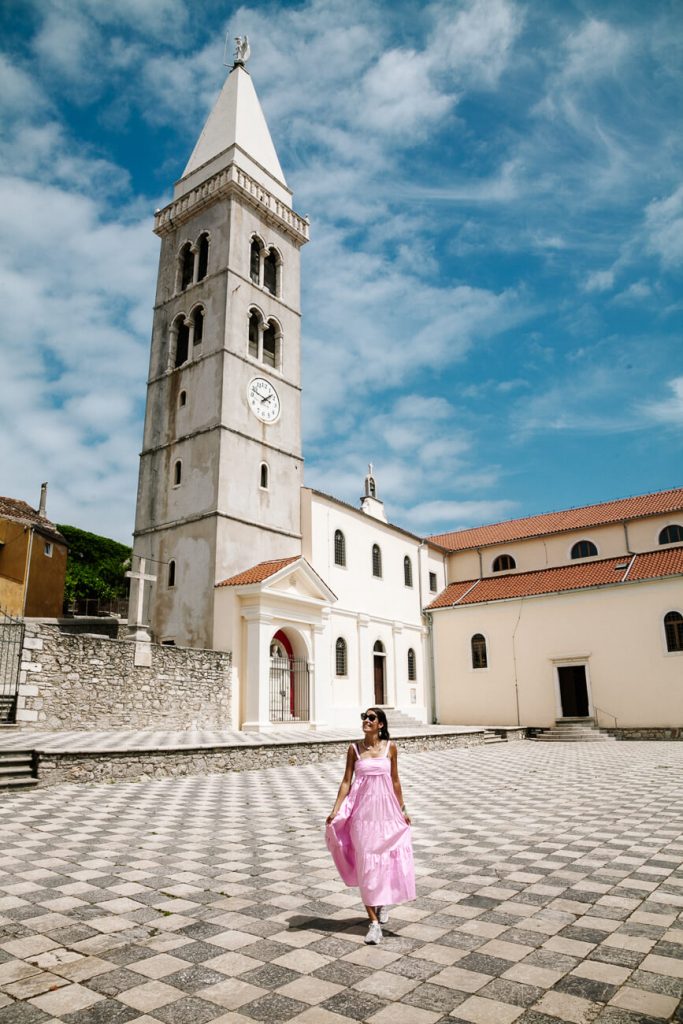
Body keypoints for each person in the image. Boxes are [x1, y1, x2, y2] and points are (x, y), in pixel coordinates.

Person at [325, 707, 415, 944]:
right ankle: (374, 923)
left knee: (384, 863)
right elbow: (346, 781)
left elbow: (395, 780)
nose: (366, 720)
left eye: (371, 718)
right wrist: (335, 810)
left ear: (381, 725)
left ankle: (383, 901)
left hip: (385, 816)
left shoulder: (390, 748)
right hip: (361, 817)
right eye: (364, 717)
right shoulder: (354, 749)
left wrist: (403, 810)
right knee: (366, 866)